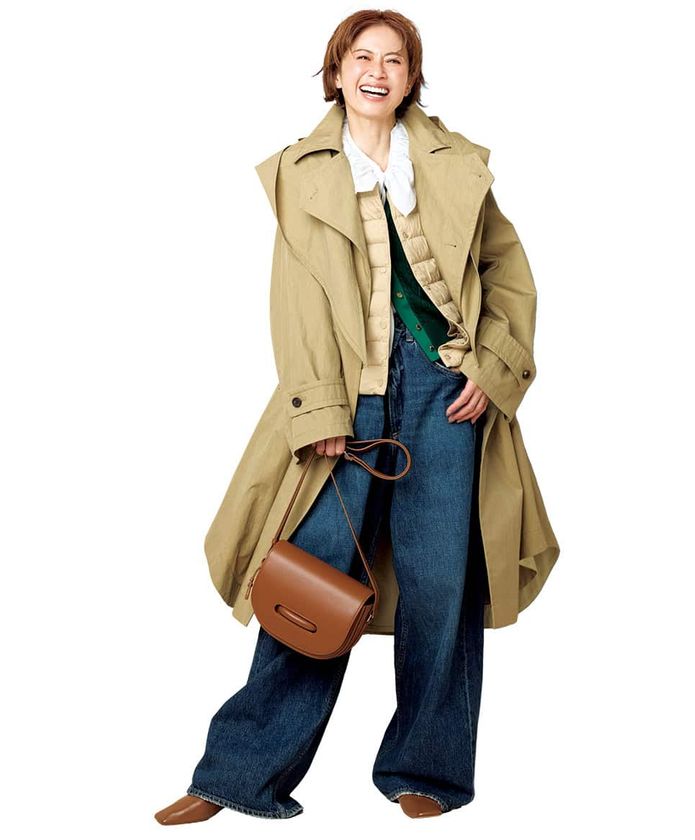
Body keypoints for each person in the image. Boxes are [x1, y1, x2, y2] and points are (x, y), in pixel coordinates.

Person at [155, 7, 558, 824]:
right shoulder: (301, 171)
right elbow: (296, 300)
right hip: (347, 393)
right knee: (310, 584)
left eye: (395, 59)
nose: (378, 71)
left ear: (411, 78)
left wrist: (490, 368)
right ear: (335, 72)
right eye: (362, 57)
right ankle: (237, 776)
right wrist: (320, 406)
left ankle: (427, 772)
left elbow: (507, 273)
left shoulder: (452, 162)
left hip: (446, 393)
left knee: (443, 585)